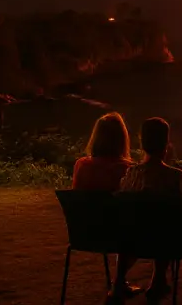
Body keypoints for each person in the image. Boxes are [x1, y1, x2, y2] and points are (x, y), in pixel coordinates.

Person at [72, 112, 141, 299]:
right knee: (140, 229)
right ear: (122, 138)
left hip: (85, 233)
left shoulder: (81, 165)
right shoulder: (127, 168)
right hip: (118, 235)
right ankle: (119, 281)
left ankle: (119, 283)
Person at [116, 117, 182, 302]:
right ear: (166, 144)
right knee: (167, 222)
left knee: (137, 222)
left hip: (131, 241)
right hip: (162, 241)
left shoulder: (131, 174)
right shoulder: (175, 177)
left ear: (142, 142)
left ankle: (118, 282)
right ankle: (158, 279)